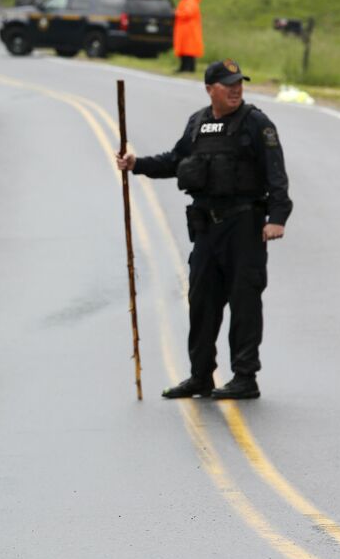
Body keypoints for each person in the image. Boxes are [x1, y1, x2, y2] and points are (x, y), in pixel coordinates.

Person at [116, 59, 291, 400]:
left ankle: (244, 377)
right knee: (201, 302)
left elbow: (276, 175)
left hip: (244, 226)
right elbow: (174, 161)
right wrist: (137, 165)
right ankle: (200, 376)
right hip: (206, 229)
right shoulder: (198, 123)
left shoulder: (256, 123)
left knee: (244, 302)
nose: (237, 88)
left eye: (239, 82)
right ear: (210, 89)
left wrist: (277, 218)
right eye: (228, 84)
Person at [174, 0, 204, 73]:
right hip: (185, 29)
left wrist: (176, 13)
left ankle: (188, 68)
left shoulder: (190, 1)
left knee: (189, 51)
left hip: (189, 30)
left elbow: (188, 13)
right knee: (184, 50)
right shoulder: (186, 0)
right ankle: (184, 67)